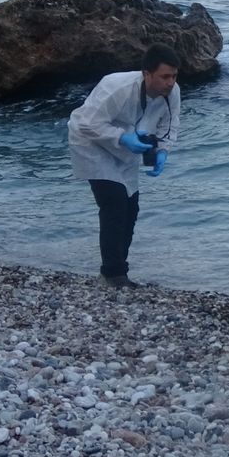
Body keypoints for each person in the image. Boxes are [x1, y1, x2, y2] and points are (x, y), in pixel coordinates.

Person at [68, 43, 180, 288]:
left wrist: (162, 150)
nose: (170, 83)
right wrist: (122, 138)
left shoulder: (172, 93)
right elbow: (86, 124)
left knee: (131, 207)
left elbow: (169, 125)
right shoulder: (116, 87)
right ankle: (112, 274)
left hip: (125, 150)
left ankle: (120, 270)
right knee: (114, 203)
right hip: (91, 145)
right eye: (164, 77)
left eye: (173, 76)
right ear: (147, 74)